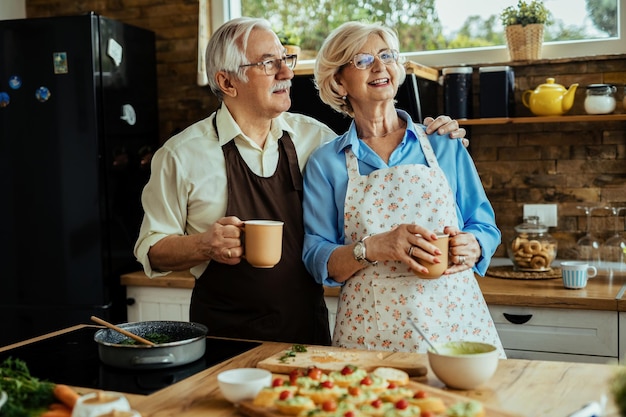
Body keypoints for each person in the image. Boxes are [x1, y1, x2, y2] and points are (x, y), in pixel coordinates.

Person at [133, 17, 468, 346]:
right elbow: (152, 250)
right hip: (224, 336)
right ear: (227, 82)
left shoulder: (317, 139)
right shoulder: (181, 155)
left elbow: (383, 175)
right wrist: (204, 245)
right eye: (268, 63)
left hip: (306, 332)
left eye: (286, 59)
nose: (287, 72)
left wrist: (435, 139)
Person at [302, 21, 505, 356]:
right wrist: (372, 248)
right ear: (339, 81)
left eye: (387, 56)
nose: (380, 67)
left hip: (453, 323)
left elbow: (485, 226)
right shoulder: (328, 162)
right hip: (368, 332)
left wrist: (475, 245)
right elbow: (316, 258)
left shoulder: (443, 143)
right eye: (363, 60)